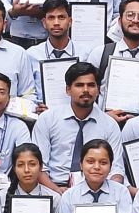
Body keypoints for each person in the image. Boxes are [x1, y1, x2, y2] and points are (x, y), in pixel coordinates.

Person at [31, 61, 125, 191]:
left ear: (98, 89)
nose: (86, 90)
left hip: (96, 190)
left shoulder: (109, 125)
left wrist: (109, 192)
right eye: (79, 85)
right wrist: (58, 192)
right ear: (68, 89)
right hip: (54, 188)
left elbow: (116, 169)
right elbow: (39, 167)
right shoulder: (48, 119)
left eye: (91, 85)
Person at [87, 0, 139, 118]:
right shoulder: (100, 54)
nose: (136, 20)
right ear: (119, 21)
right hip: (106, 123)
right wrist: (104, 118)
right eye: (130, 15)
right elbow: (87, 91)